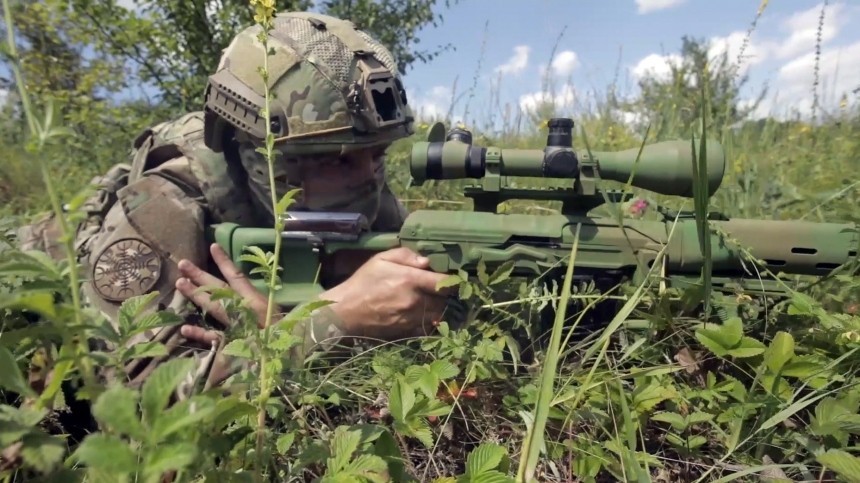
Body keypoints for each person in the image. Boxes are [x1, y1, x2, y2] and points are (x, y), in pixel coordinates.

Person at [16, 11, 455, 398]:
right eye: (331, 159)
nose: (368, 179)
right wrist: (321, 327)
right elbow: (130, 404)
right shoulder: (166, 205)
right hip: (30, 276)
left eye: (378, 155)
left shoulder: (360, 186)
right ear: (256, 156)